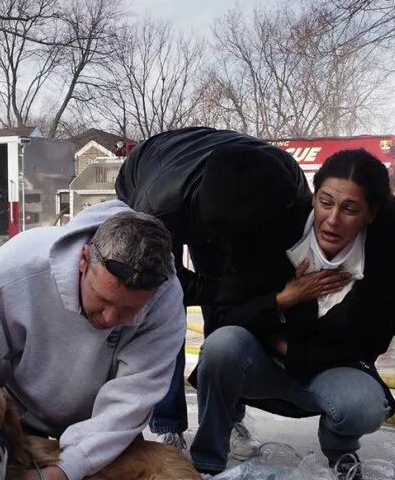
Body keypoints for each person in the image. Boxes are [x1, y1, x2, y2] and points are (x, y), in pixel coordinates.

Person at [190, 149, 395, 480]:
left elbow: (364, 347)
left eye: (349, 209)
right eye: (325, 202)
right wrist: (284, 299)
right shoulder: (265, 235)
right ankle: (207, 460)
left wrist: (285, 347)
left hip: (326, 373)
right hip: (259, 367)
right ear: (313, 198)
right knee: (221, 347)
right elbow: (225, 314)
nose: (333, 219)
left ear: (371, 213)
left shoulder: (391, 266)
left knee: (363, 405)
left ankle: (339, 448)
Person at [0, 203, 185, 480]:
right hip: (18, 415)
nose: (109, 319)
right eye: (102, 298)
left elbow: (132, 400)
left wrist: (64, 471)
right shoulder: (17, 270)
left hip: (101, 424)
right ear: (83, 260)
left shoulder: (165, 300)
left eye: (128, 310)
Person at [115, 127, 311, 456]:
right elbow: (160, 282)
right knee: (165, 312)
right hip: (151, 172)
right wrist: (223, 289)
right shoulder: (157, 208)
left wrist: (255, 298)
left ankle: (225, 416)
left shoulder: (288, 187)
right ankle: (168, 424)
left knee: (227, 314)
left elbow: (272, 276)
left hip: (232, 186)